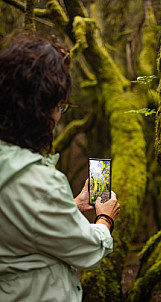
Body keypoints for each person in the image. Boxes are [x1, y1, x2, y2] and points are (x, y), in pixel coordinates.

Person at [0, 34, 120, 302]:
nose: (57, 115)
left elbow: (20, 224)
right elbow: (87, 251)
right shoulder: (38, 182)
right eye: (58, 106)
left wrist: (72, 206)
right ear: (44, 108)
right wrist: (105, 218)